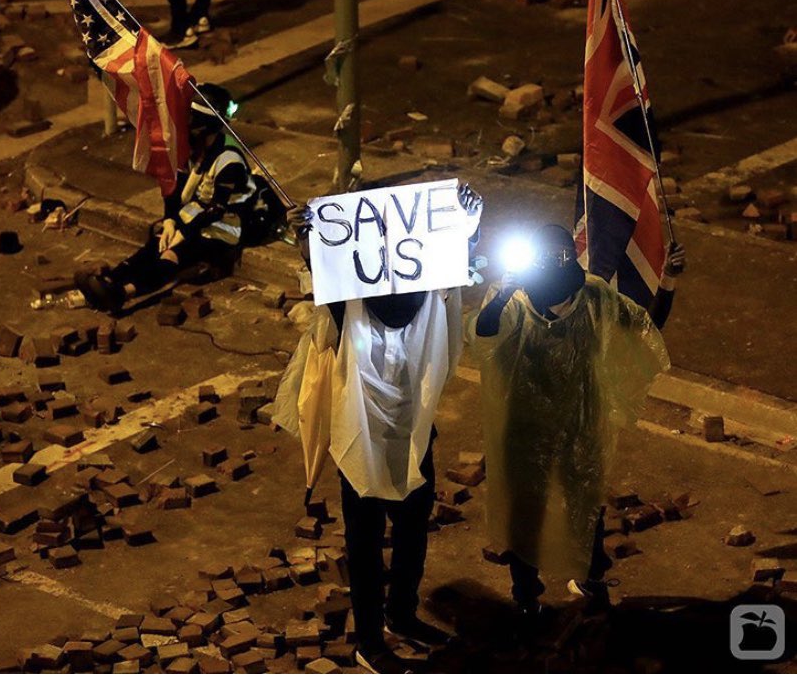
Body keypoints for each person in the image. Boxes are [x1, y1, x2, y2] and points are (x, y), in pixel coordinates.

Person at [276, 184, 482, 674]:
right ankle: (370, 641)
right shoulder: (349, 303)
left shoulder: (431, 293)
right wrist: (308, 241)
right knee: (365, 542)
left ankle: (401, 615)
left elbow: (454, 276)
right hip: (360, 435)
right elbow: (324, 279)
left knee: (413, 530)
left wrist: (466, 229)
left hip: (412, 429)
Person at [473, 224, 685, 616]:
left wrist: (668, 280)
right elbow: (484, 335)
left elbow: (644, 329)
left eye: (560, 256)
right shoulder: (515, 299)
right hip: (525, 430)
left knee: (585, 504)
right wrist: (502, 292)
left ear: (572, 257)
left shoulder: (594, 298)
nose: (551, 265)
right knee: (526, 513)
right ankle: (525, 596)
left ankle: (589, 578)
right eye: (543, 257)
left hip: (579, 427)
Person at [75, 83, 285, 313]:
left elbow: (217, 210)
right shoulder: (194, 148)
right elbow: (176, 188)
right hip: (197, 215)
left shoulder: (228, 161)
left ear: (204, 126)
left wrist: (183, 233)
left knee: (174, 253)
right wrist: (170, 221)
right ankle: (112, 278)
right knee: (157, 243)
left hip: (226, 224)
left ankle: (123, 294)